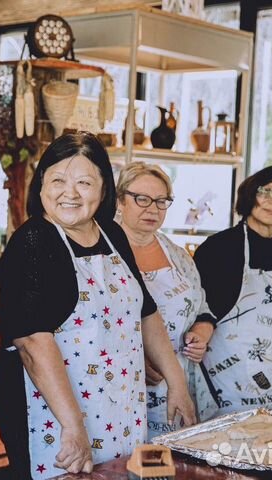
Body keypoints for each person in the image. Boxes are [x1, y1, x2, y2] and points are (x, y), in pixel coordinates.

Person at [0, 132, 196, 479]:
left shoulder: (112, 235)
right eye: (57, 180)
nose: (69, 193)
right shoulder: (33, 240)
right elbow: (31, 342)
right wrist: (72, 425)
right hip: (53, 411)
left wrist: (177, 381)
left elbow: (145, 311)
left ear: (104, 190)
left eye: (84, 182)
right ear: (40, 185)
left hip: (119, 402)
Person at [194, 164, 272, 420]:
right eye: (266, 191)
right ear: (251, 195)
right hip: (231, 385)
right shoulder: (218, 248)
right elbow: (197, 315)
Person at [115, 162, 216, 438]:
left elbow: (202, 309)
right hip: (121, 387)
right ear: (120, 200)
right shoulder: (103, 251)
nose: (152, 209)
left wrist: (201, 333)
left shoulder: (177, 255)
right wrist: (139, 357)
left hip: (177, 383)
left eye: (161, 201)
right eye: (142, 199)